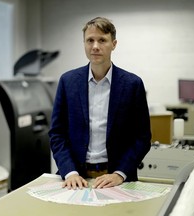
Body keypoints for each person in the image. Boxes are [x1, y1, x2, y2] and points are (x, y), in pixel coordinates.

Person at [49, 17, 151, 190]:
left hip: (116, 179)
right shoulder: (68, 82)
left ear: (114, 44)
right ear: (84, 43)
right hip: (75, 178)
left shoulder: (133, 84)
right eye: (90, 40)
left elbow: (142, 138)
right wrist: (70, 172)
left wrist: (120, 174)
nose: (95, 46)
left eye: (102, 40)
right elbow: (57, 134)